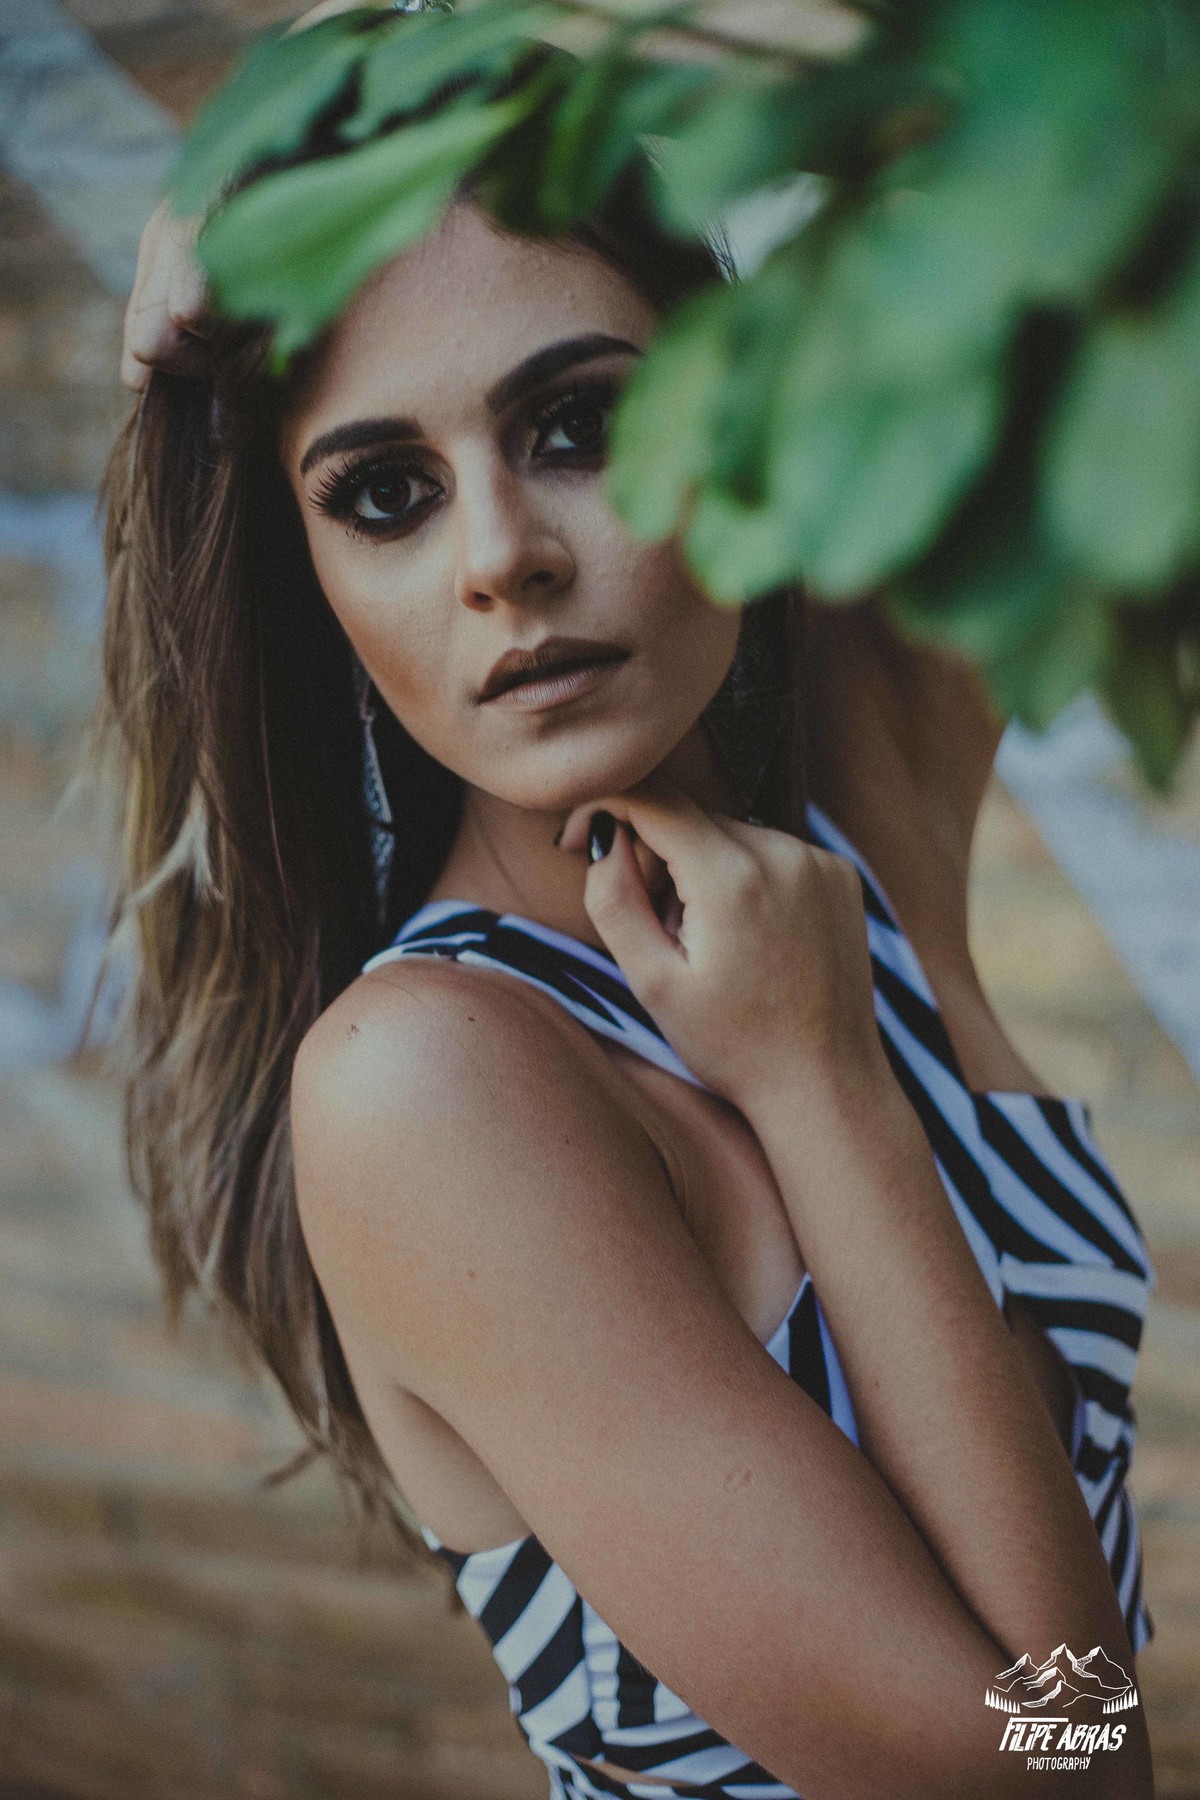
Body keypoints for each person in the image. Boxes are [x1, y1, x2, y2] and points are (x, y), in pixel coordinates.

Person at [104, 25, 1157, 1799]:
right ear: (319, 586)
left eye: (580, 420)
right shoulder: (427, 1090)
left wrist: (327, 64)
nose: (499, 552)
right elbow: (1058, 1762)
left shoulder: (851, 814)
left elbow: (1091, 143)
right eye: (385, 493)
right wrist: (823, 1084)